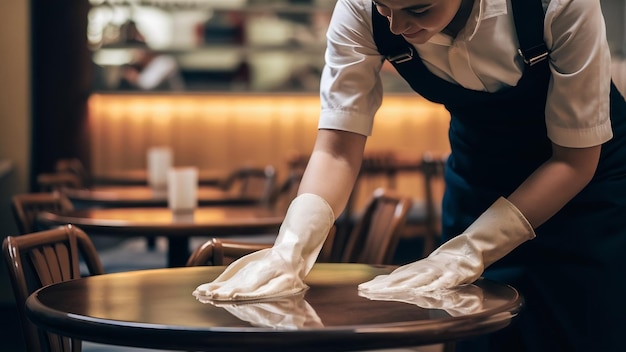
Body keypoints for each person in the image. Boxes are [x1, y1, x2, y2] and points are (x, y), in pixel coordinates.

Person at [194, 0, 626, 350]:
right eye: (386, 9)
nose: (398, 27)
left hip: (586, 189)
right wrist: (290, 251)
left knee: (583, 328)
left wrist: (469, 251)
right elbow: (339, 148)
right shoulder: (360, 11)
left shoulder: (559, 5)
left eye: (418, 10)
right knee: (481, 335)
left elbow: (573, 160)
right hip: (480, 178)